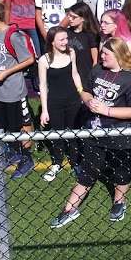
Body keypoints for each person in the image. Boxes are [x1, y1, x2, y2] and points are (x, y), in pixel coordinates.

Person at [50, 38, 131, 228]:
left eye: (106, 54)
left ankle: (119, 203)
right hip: (94, 132)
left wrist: (107, 111)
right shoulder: (97, 70)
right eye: (102, 52)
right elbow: (85, 91)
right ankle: (69, 209)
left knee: (121, 171)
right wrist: (88, 101)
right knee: (88, 170)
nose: (101, 56)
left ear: (118, 55)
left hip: (120, 135)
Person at [0, 1, 36, 179]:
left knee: (21, 125)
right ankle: (14, 154)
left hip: (14, 90)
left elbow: (29, 59)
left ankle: (27, 158)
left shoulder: (13, 36)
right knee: (4, 126)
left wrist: (6, 73)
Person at [38, 26, 84, 182]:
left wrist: (81, 93)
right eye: (62, 39)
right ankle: (57, 162)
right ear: (52, 42)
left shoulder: (71, 53)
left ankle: (75, 161)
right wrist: (44, 110)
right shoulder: (44, 60)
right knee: (57, 134)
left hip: (73, 100)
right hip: (55, 102)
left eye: (66, 38)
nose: (66, 42)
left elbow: (75, 73)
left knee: (73, 133)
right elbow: (43, 86)